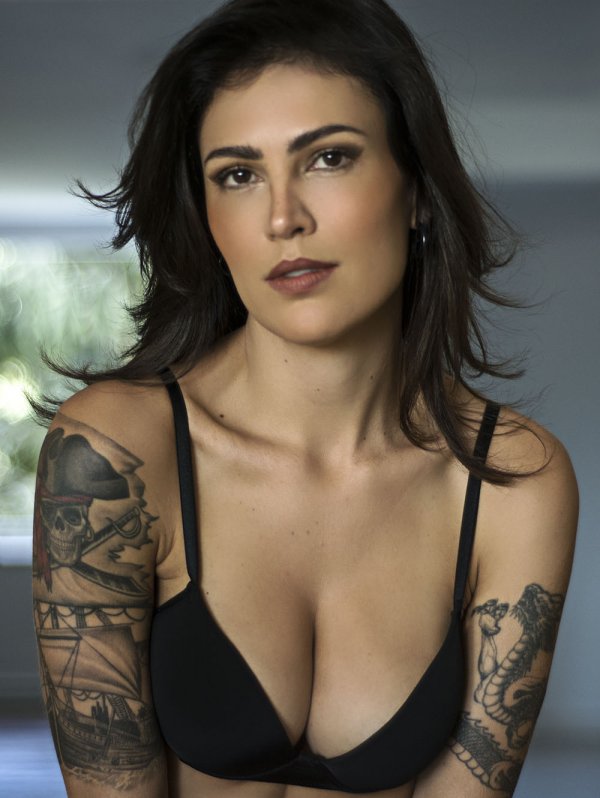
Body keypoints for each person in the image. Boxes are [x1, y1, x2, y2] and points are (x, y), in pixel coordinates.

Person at [31, 0, 578, 796]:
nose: (283, 217)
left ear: (418, 190)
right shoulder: (115, 454)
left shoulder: (512, 480)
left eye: (329, 158)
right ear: (208, 218)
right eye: (238, 175)